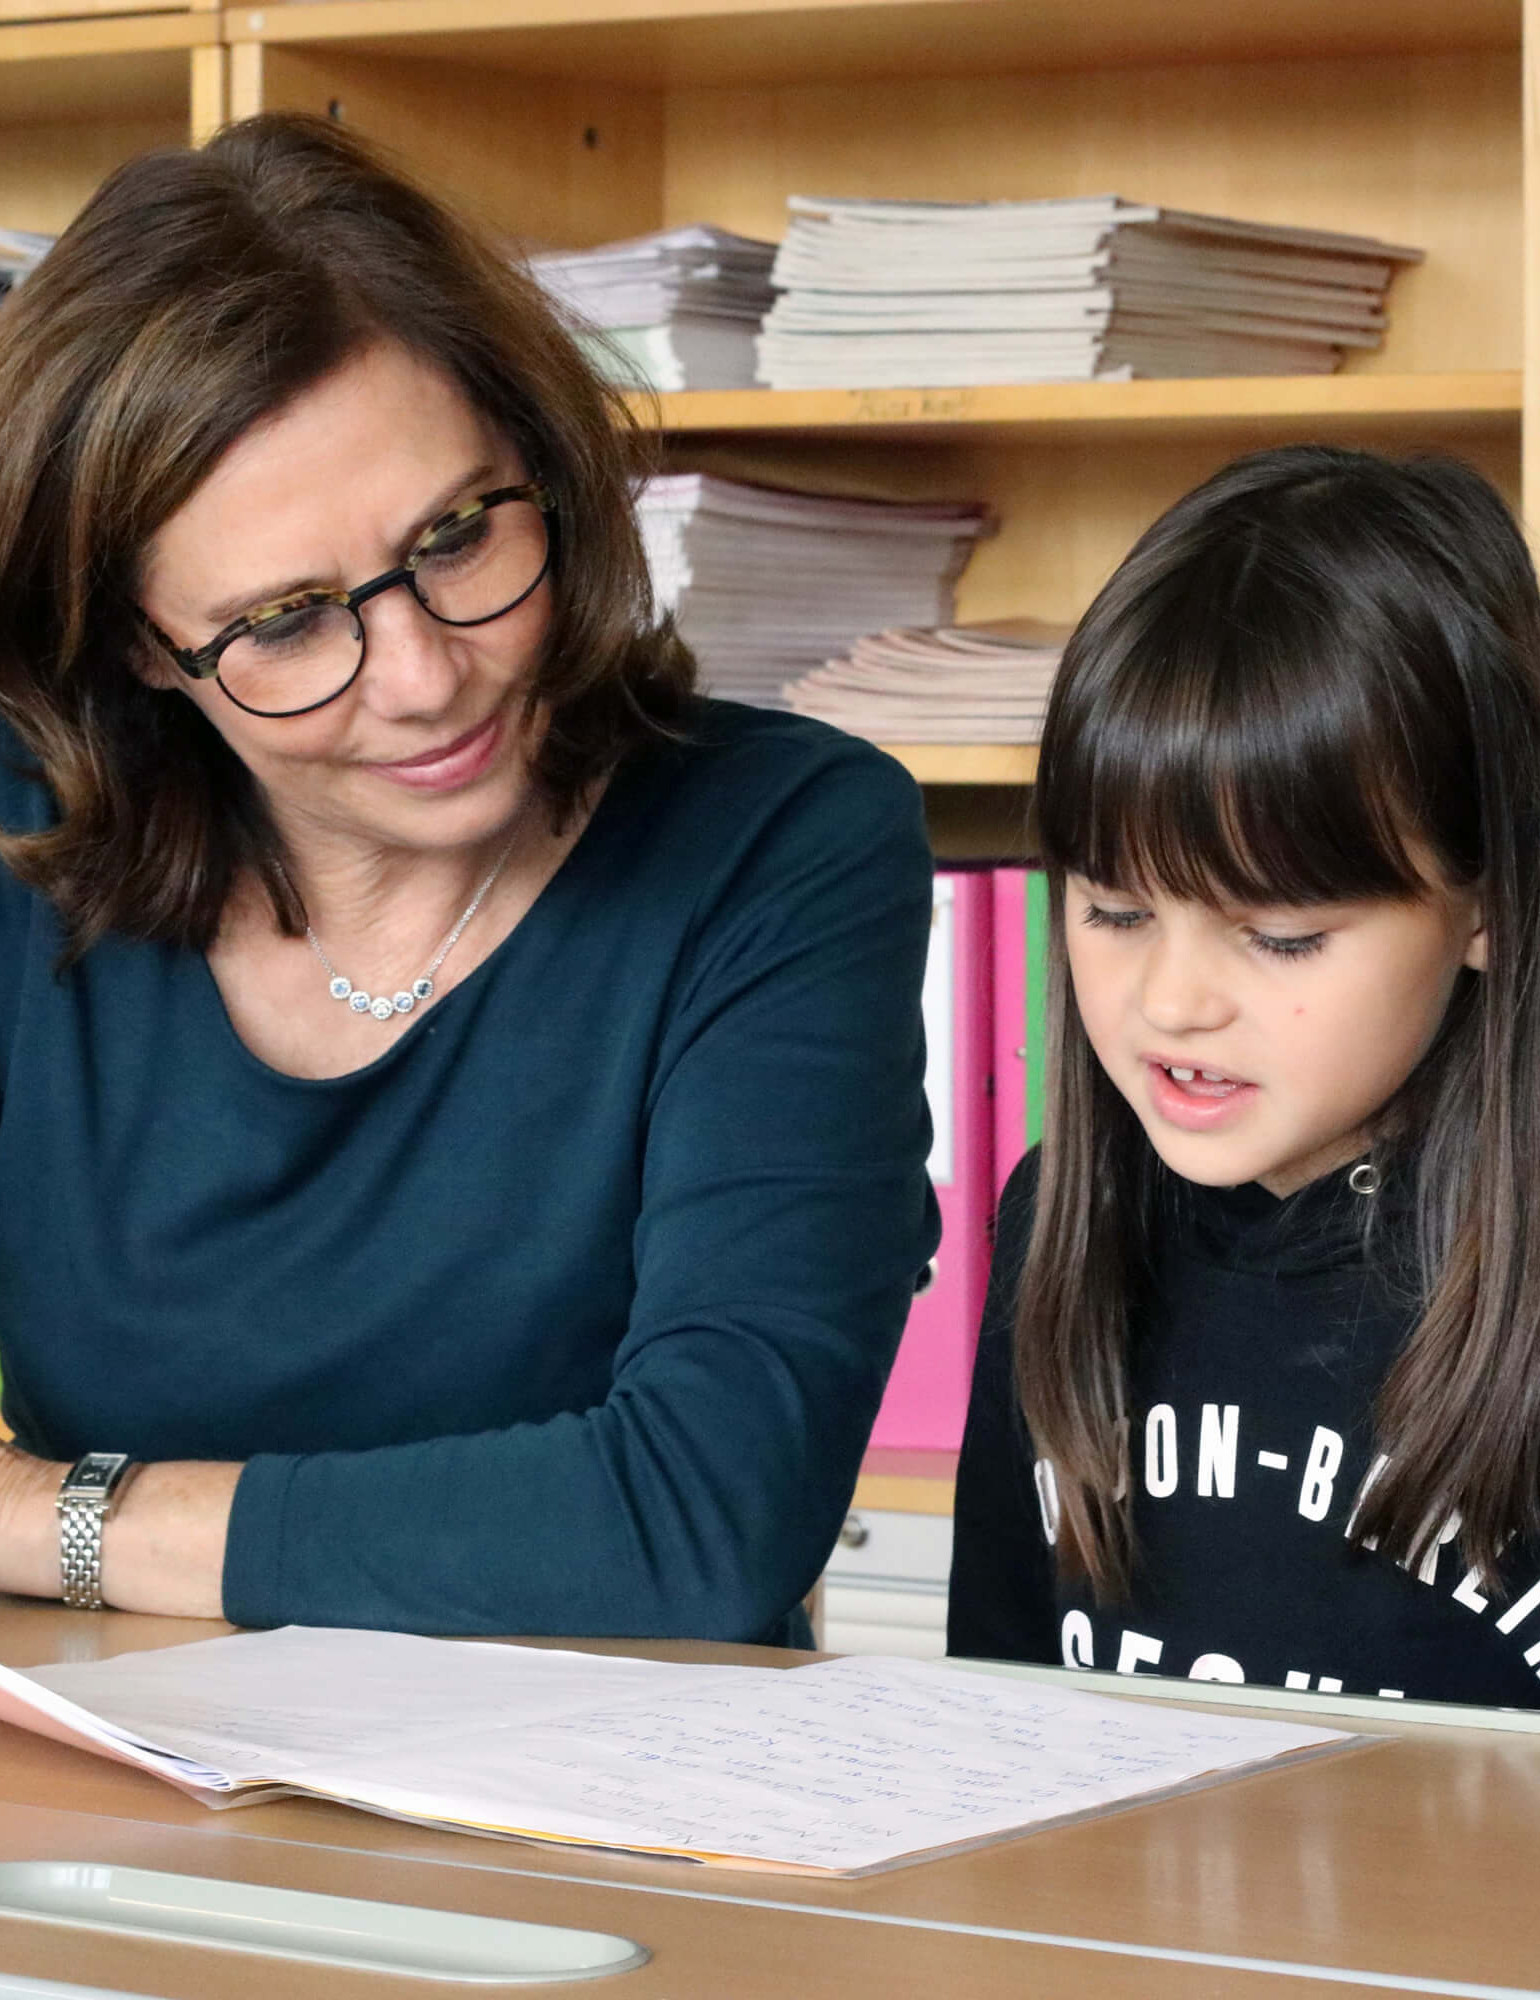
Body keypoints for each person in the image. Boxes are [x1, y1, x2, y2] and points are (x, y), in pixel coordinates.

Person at [0, 113, 937, 1641]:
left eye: (452, 536)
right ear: (137, 648)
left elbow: (705, 1522)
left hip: (587, 1838)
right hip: (108, 1816)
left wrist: (60, 1518)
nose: (429, 676)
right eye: (287, 623)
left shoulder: (777, 841)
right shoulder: (24, 842)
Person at [948, 445, 1540, 1734]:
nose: (1172, 1003)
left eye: (1280, 937)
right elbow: (987, 1730)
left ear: (1486, 903)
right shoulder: (1059, 1224)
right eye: (1112, 910)